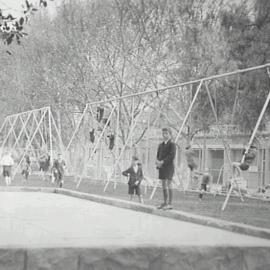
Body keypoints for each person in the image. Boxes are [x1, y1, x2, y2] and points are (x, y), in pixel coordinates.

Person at [156, 127, 176, 210]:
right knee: (163, 184)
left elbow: (171, 156)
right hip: (162, 167)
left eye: (166, 133)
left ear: (170, 135)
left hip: (169, 167)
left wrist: (163, 162)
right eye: (163, 133)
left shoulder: (172, 144)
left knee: (169, 183)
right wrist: (157, 162)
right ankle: (165, 202)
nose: (164, 135)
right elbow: (158, 155)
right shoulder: (160, 145)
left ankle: (170, 203)